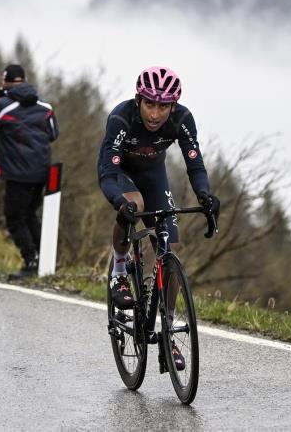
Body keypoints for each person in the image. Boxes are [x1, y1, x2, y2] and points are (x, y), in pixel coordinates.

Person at [97, 66, 220, 367]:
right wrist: (118, 202)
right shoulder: (122, 119)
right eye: (149, 104)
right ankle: (119, 272)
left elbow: (196, 165)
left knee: (170, 249)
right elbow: (107, 172)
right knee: (134, 205)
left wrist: (205, 196)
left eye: (163, 106)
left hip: (154, 176)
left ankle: (167, 326)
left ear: (173, 106)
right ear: (138, 99)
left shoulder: (182, 120)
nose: (155, 114)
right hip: (122, 175)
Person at [0, 64, 59, 277]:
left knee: (14, 217)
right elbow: (52, 134)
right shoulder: (45, 107)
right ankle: (45, 261)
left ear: (4, 81)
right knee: (30, 214)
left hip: (18, 172)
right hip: (41, 171)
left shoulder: (4, 105)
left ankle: (31, 261)